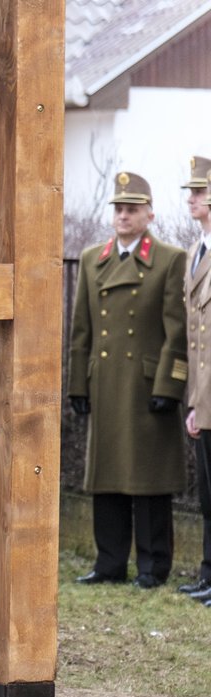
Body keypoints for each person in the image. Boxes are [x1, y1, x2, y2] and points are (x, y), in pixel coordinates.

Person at [69, 171, 188, 589]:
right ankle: (109, 564)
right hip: (105, 383)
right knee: (108, 478)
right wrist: (77, 385)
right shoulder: (91, 259)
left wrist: (170, 386)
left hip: (146, 386)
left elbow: (178, 330)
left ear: (149, 214)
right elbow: (80, 327)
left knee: (149, 480)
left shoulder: (171, 259)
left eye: (132, 209)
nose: (123, 216)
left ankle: (153, 567)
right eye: (119, 209)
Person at [180, 159, 211, 604]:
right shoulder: (197, 251)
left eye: (199, 192)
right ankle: (208, 574)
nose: (191, 198)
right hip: (204, 398)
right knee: (207, 496)